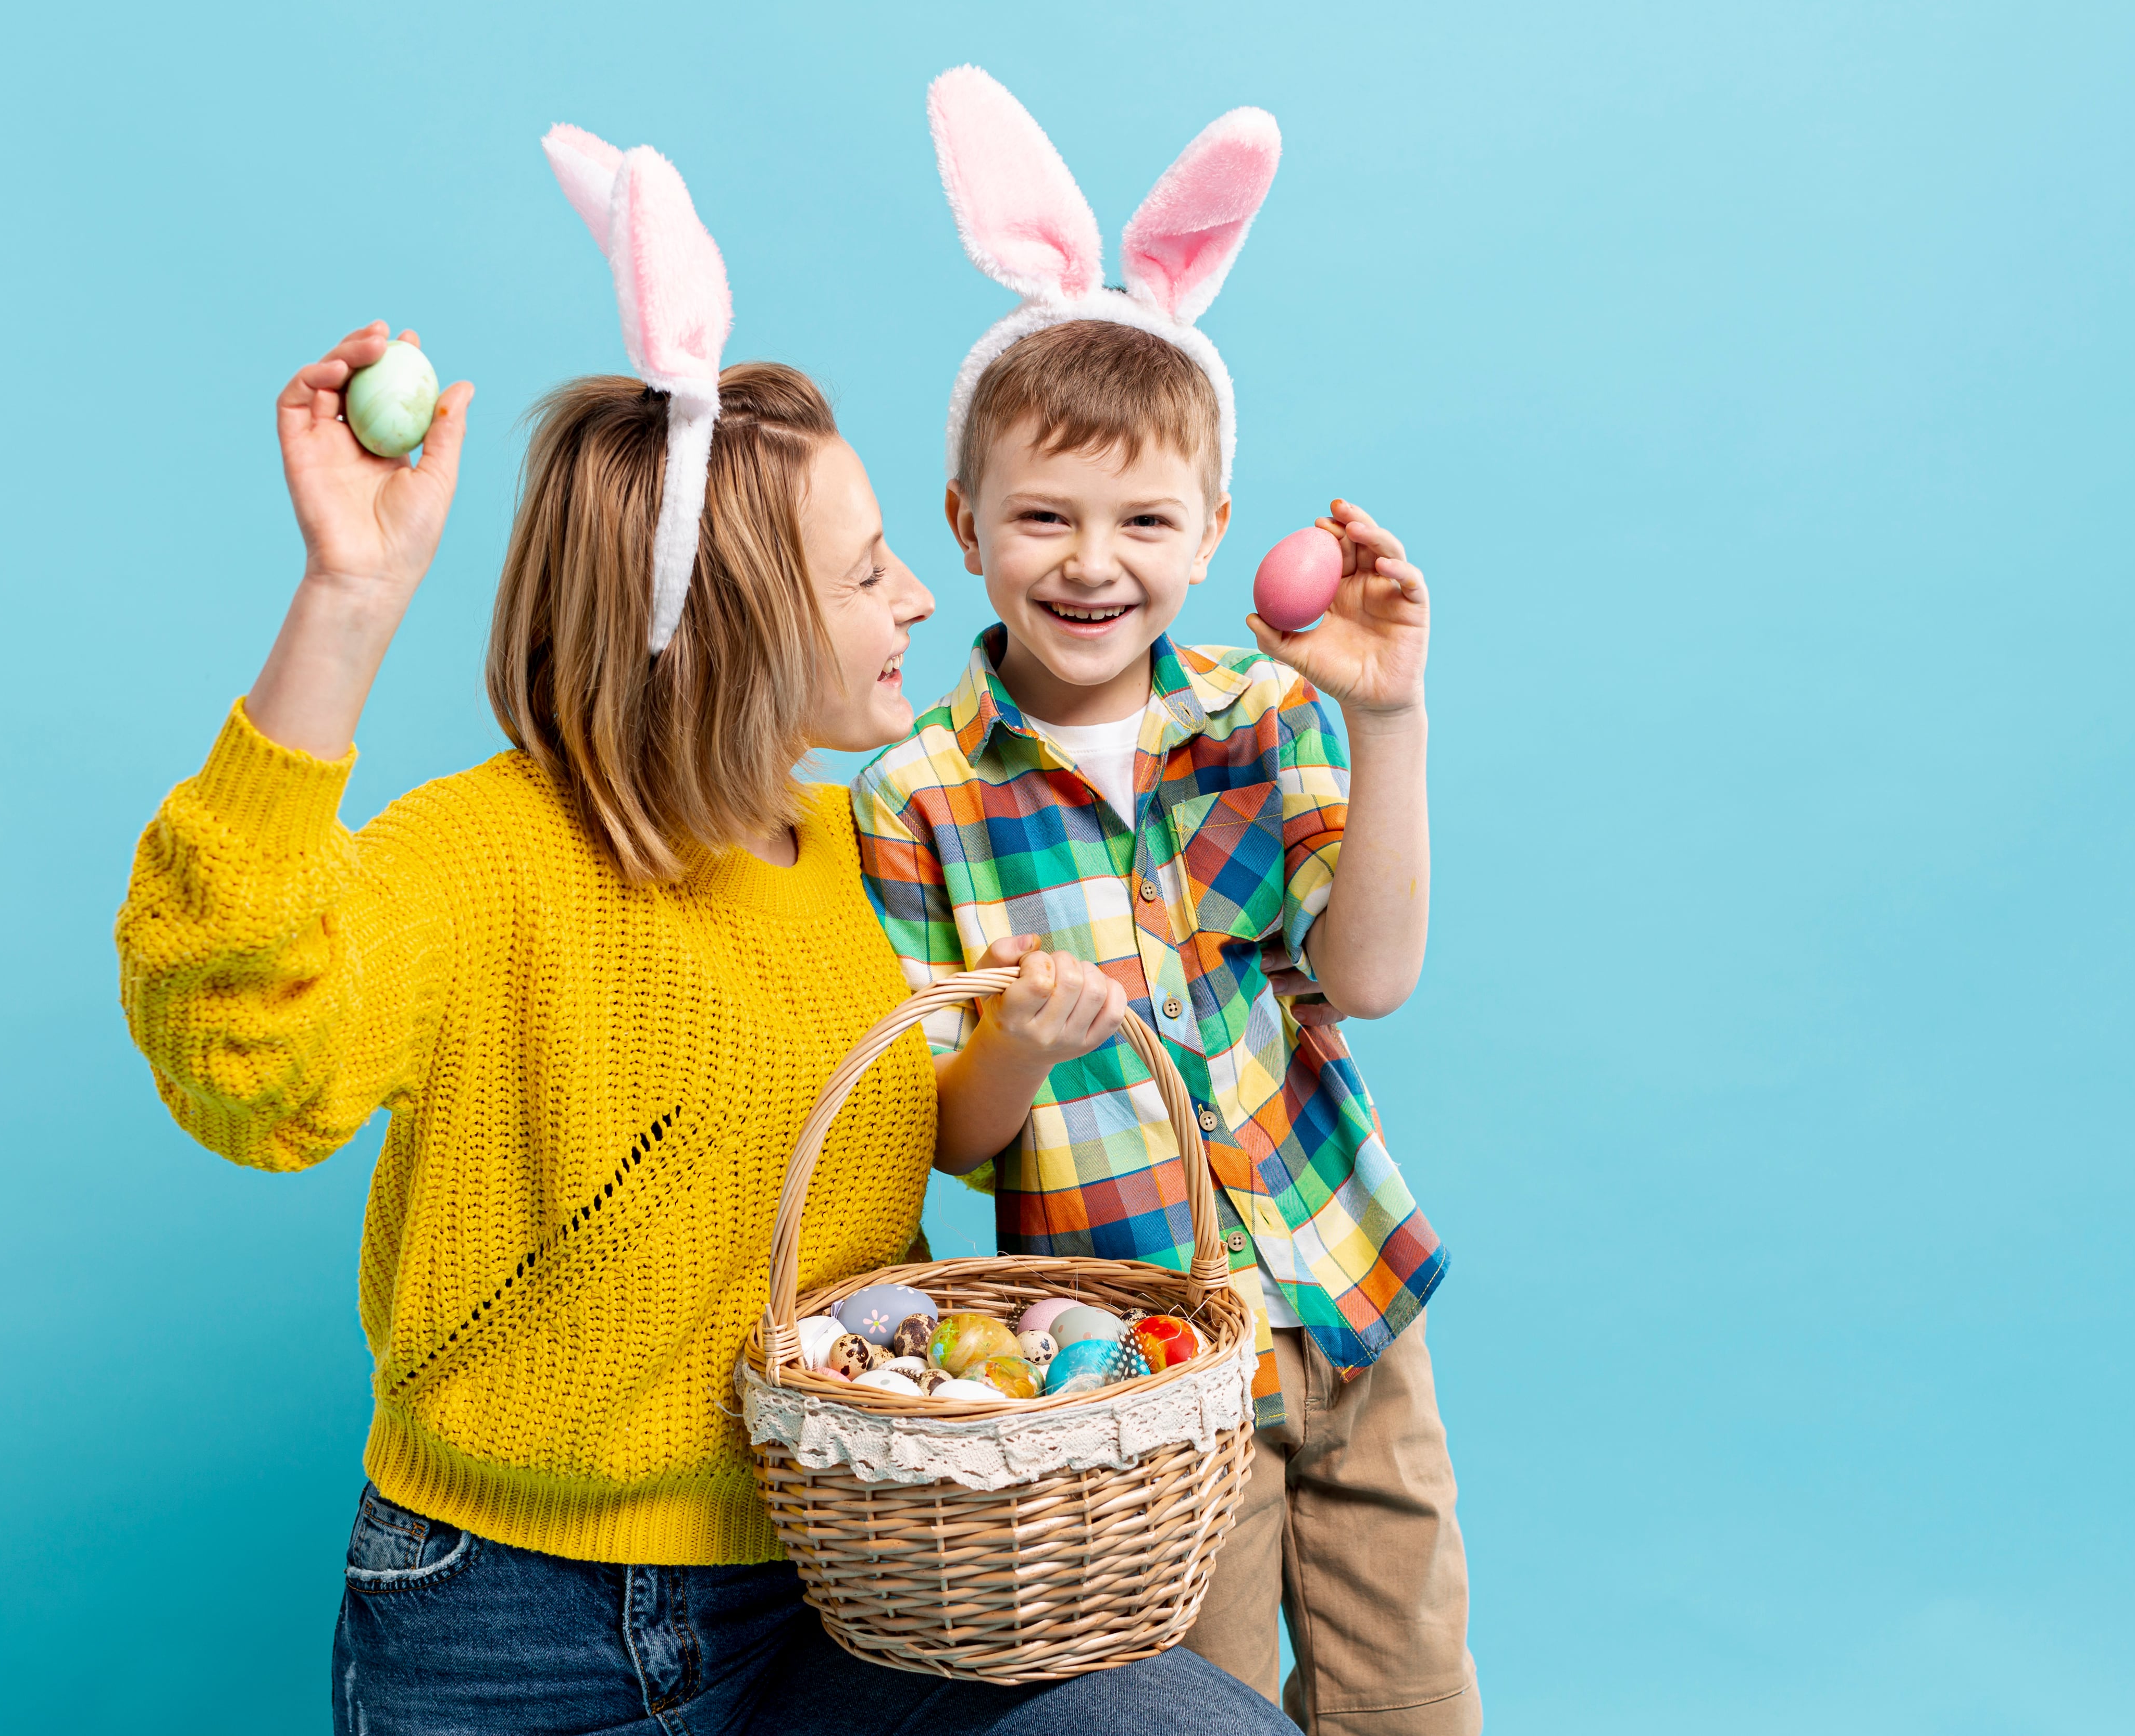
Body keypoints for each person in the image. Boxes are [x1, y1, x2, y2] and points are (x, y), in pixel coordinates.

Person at [114, 124, 1297, 1736]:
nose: (918, 600)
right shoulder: (489, 857)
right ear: (730, 628)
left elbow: (946, 1138)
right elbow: (244, 1059)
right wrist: (351, 598)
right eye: (867, 575)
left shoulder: (864, 849)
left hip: (850, 1593)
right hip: (511, 1629)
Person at [853, 72, 1477, 1734]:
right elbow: (951, 1139)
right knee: (1201, 1711)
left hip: (1346, 1291)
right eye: (1043, 517)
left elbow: (1374, 976)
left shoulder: (1266, 718)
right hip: (1140, 1366)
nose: (1091, 561)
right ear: (965, 525)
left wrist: (1387, 719)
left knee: (1415, 1697)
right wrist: (1023, 1045)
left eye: (1143, 519)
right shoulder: (919, 794)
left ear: (1210, 535)